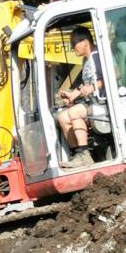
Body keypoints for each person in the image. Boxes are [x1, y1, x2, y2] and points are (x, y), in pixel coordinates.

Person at [55, 26, 106, 170]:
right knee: (62, 117)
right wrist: (73, 95)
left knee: (74, 112)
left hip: (102, 103)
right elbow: (87, 82)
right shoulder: (86, 60)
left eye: (74, 44)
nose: (73, 48)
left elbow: (115, 74)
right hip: (91, 103)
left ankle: (85, 156)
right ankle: (79, 154)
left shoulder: (98, 56)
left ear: (85, 42)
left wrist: (93, 87)